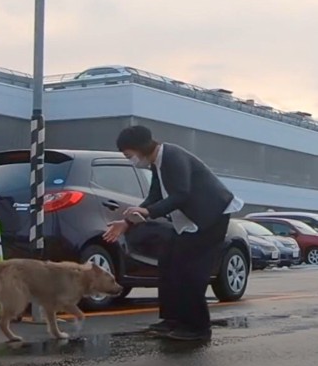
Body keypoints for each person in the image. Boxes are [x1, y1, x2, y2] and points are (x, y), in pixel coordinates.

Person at [103, 126, 243, 341]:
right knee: (169, 264)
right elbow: (155, 196)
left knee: (191, 271)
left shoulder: (172, 156)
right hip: (190, 221)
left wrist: (148, 212)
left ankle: (197, 328)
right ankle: (172, 319)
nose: (130, 160)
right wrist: (127, 222)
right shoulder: (157, 163)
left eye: (129, 155)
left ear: (141, 148)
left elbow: (181, 194)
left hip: (211, 218)